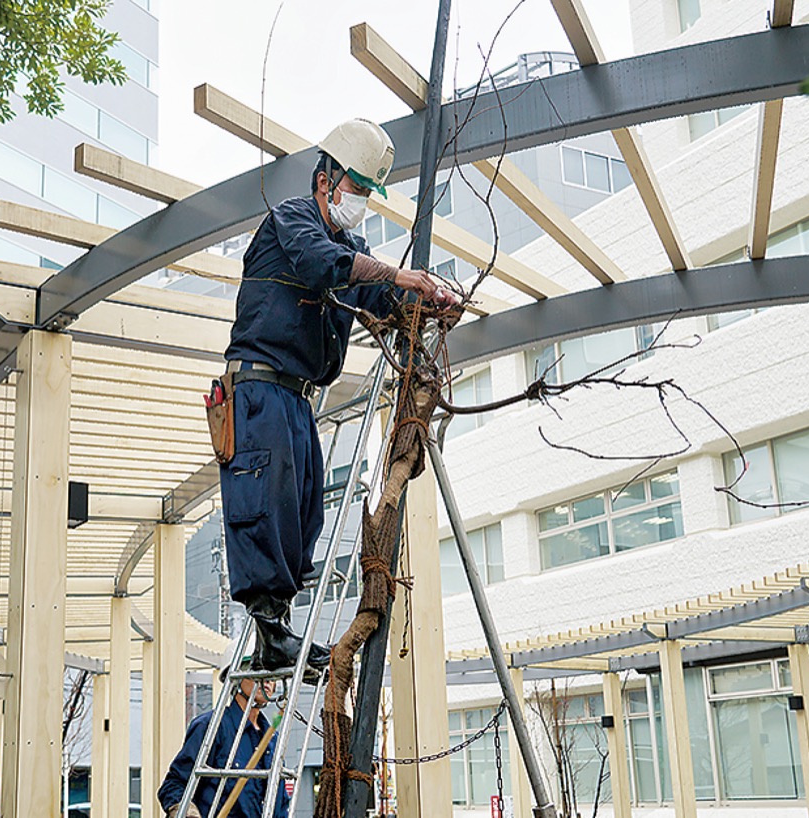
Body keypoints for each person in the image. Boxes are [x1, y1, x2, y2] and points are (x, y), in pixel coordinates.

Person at [221, 118, 454, 677]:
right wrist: (400, 274)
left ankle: (274, 631)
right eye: (357, 188)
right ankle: (271, 632)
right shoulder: (291, 222)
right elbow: (322, 265)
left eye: (369, 193)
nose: (361, 202)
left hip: (298, 396)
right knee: (268, 501)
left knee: (304, 510)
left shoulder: (350, 244)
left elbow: (375, 292)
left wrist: (424, 303)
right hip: (259, 385)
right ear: (326, 178)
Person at [158, 652, 288, 818]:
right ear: (236, 678)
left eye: (272, 673)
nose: (268, 679)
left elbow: (281, 803)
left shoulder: (272, 739)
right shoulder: (211, 727)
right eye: (257, 670)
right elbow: (174, 784)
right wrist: (186, 811)